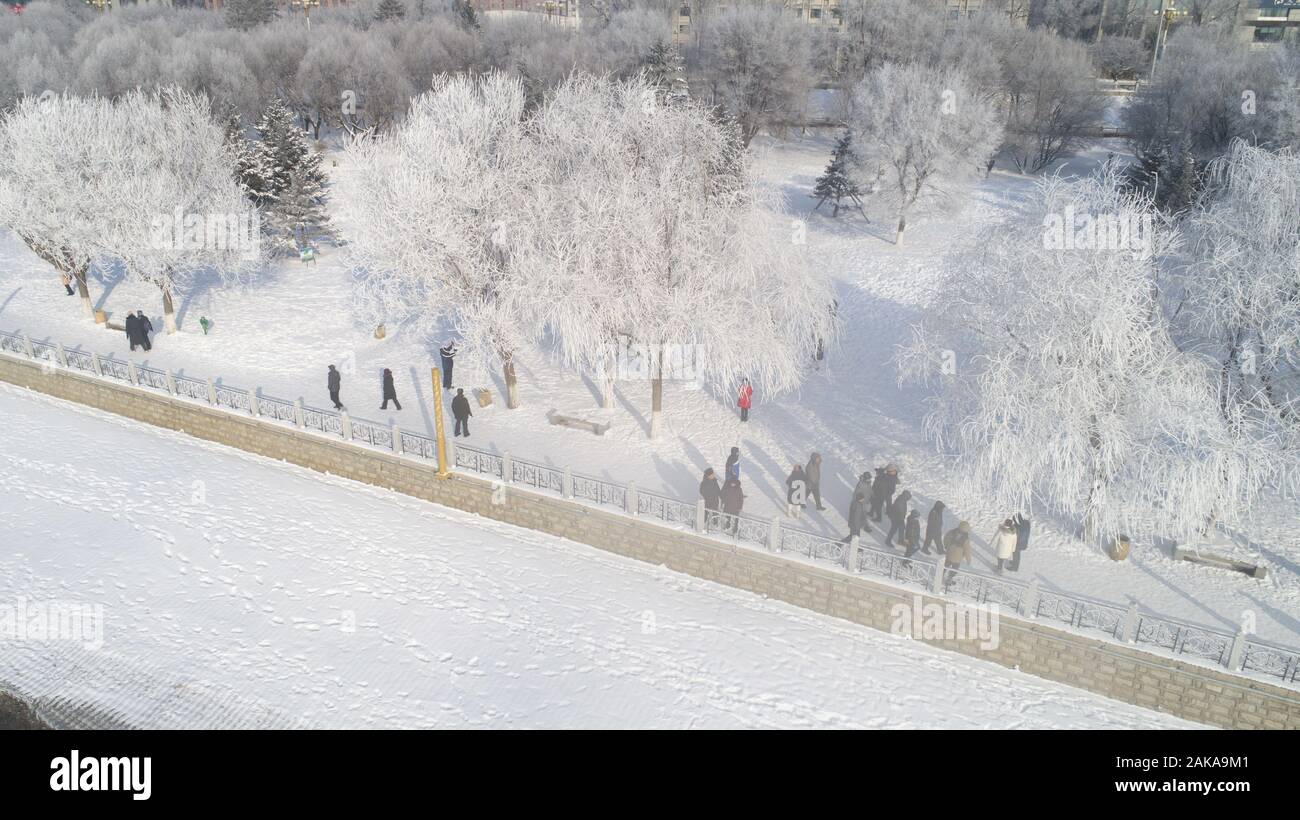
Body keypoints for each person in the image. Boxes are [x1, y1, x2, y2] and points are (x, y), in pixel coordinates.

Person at [942, 521, 973, 590]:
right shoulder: (966, 538)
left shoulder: (952, 532)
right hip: (957, 557)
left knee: (946, 565)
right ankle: (949, 579)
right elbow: (967, 549)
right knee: (954, 569)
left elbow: (945, 538)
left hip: (949, 553)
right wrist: (968, 559)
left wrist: (946, 546)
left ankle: (940, 576)